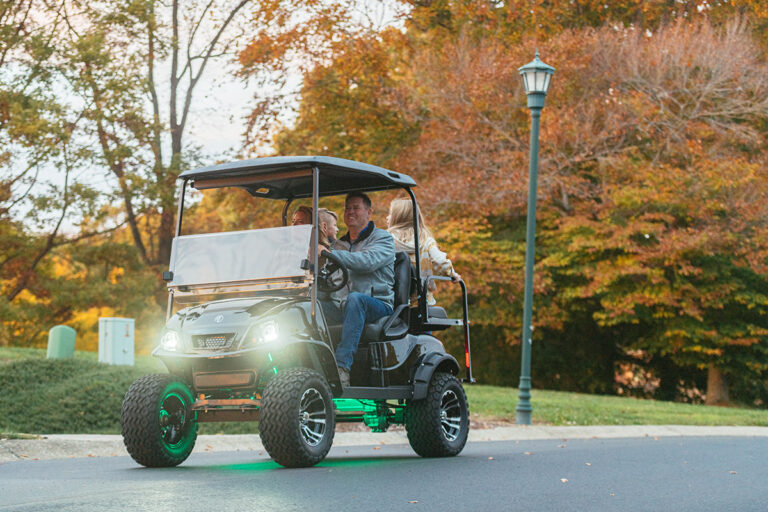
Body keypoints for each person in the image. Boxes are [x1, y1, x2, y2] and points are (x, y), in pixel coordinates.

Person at [320, 192, 395, 387]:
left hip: (377, 305)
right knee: (309, 305)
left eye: (356, 208)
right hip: (342, 306)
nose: (350, 212)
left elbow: (367, 262)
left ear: (369, 212)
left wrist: (331, 255)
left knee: (356, 299)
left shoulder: (383, 239)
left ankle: (342, 368)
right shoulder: (338, 244)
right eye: (347, 208)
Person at [386, 197, 461, 306]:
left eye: (390, 214)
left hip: (393, 301)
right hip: (421, 303)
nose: (387, 218)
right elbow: (440, 261)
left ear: (398, 217)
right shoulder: (425, 240)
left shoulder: (386, 240)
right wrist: (452, 274)